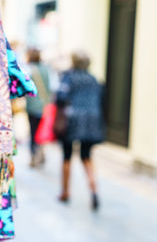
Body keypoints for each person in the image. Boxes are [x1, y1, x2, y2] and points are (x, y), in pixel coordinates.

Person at [56, 51, 104, 210]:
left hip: (72, 120)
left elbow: (61, 97)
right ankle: (94, 190)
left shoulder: (69, 77)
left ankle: (65, 191)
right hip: (92, 120)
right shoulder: (93, 79)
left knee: (67, 156)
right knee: (87, 156)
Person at [26, 48, 51, 167]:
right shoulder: (47, 69)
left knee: (33, 131)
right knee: (42, 131)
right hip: (44, 105)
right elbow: (52, 87)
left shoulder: (29, 69)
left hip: (32, 106)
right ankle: (41, 152)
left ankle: (34, 155)